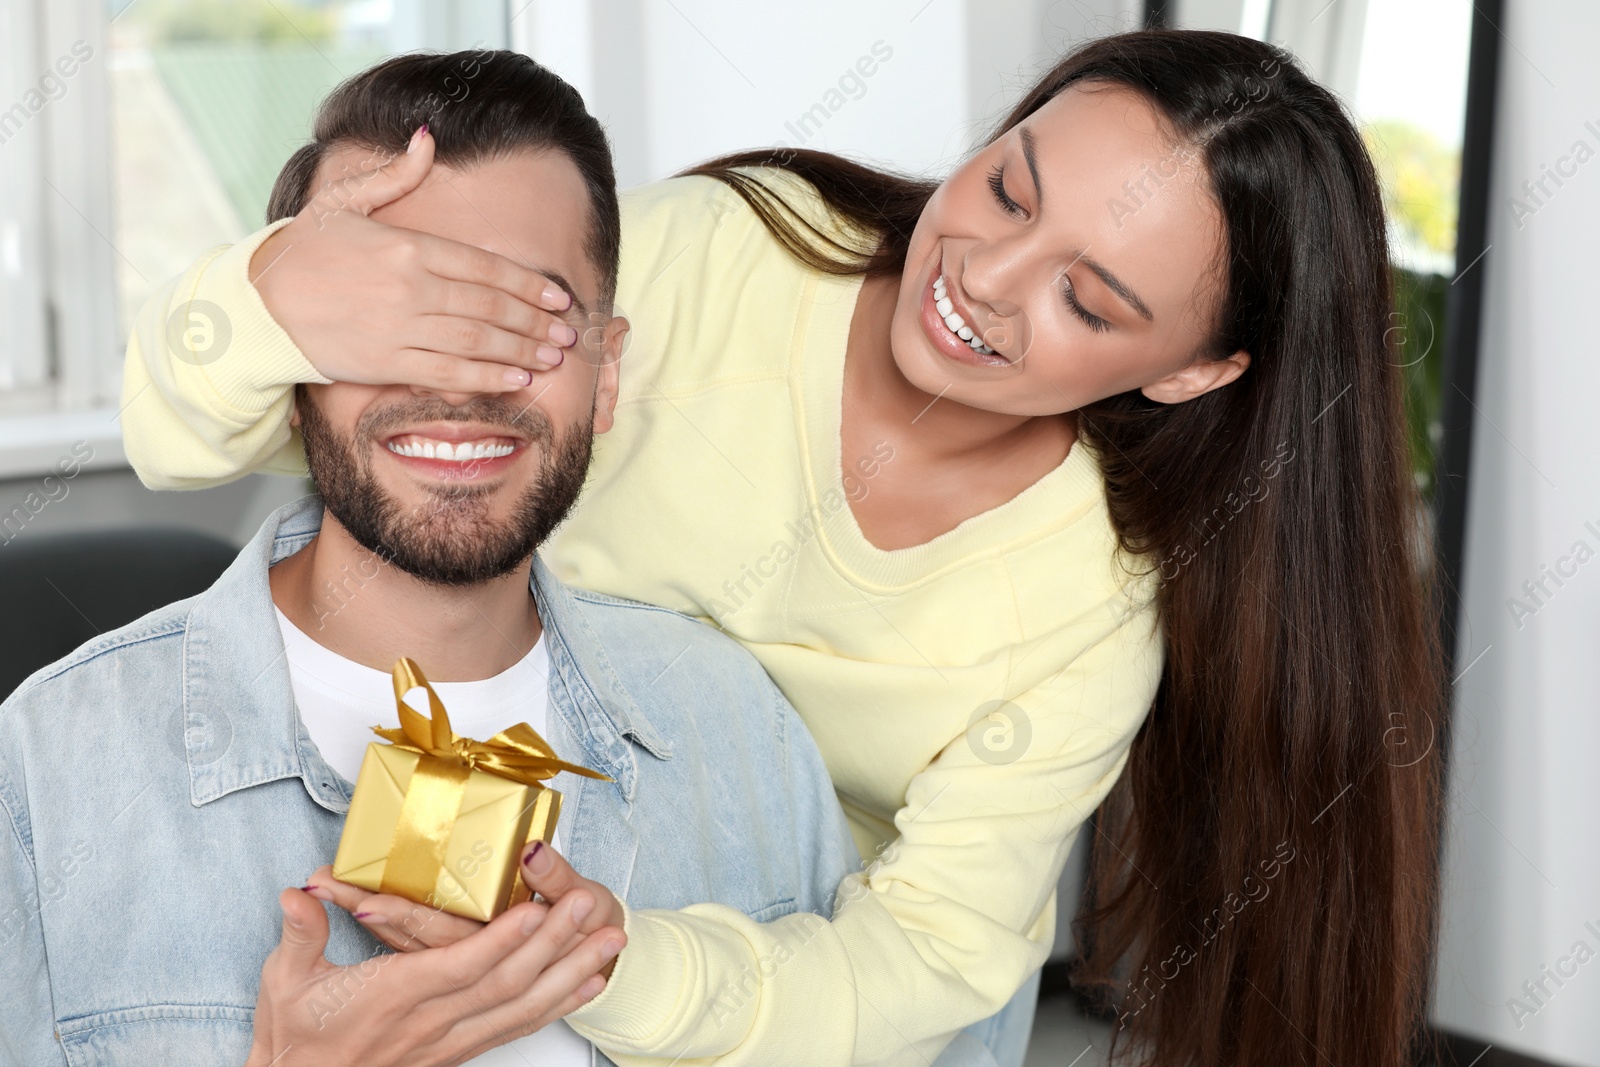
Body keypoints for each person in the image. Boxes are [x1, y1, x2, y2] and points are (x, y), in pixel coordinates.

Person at [119, 30, 1444, 1067]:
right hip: (463, 850)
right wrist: (280, 289)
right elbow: (210, 439)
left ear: (1193, 371)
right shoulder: (716, 263)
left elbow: (920, 961)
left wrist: (608, 961)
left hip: (783, 1005)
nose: (986, 273)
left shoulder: (1092, 601)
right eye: (1007, 187)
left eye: (1088, 297)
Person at [0, 52, 875, 1067]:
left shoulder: (740, 732)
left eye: (528, 318)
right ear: (286, 366)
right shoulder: (47, 769)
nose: (461, 379)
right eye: (394, 316)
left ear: (606, 373)